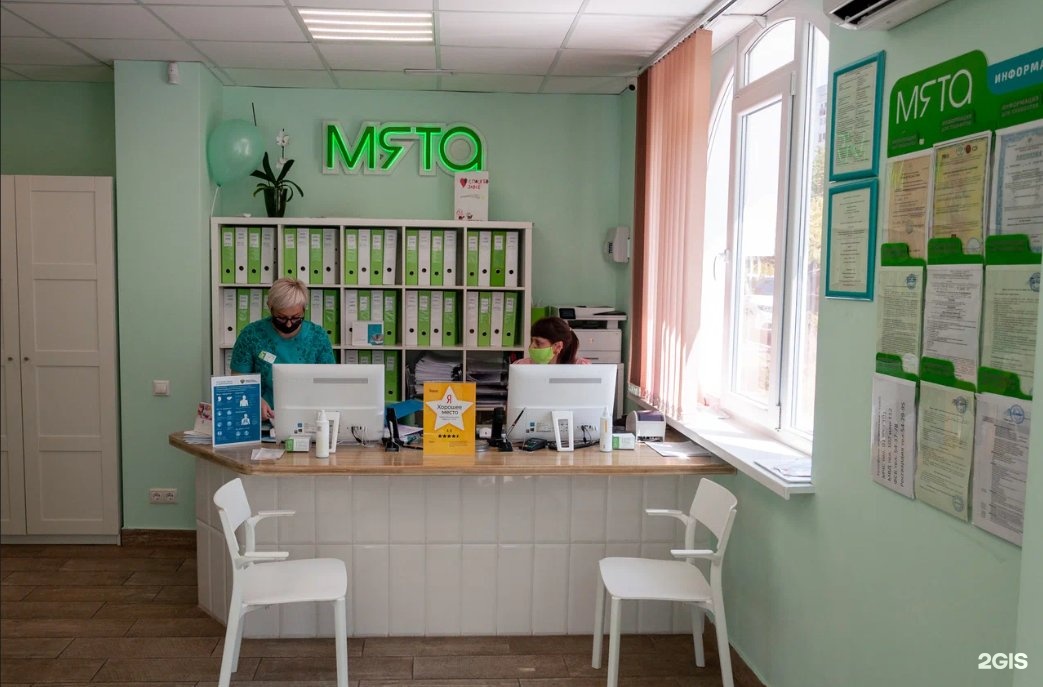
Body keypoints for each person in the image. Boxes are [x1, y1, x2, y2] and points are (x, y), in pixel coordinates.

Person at [230, 278, 335, 420]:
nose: (288, 324)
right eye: (281, 318)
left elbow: (328, 383)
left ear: (304, 309)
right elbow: (237, 381)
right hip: (262, 419)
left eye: (296, 318)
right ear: (270, 307)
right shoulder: (251, 335)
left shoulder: (318, 337)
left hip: (309, 419)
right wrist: (253, 399)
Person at [514, 316, 590, 365]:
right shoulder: (521, 365)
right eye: (532, 341)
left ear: (558, 346)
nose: (531, 347)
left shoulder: (582, 366)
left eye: (538, 342)